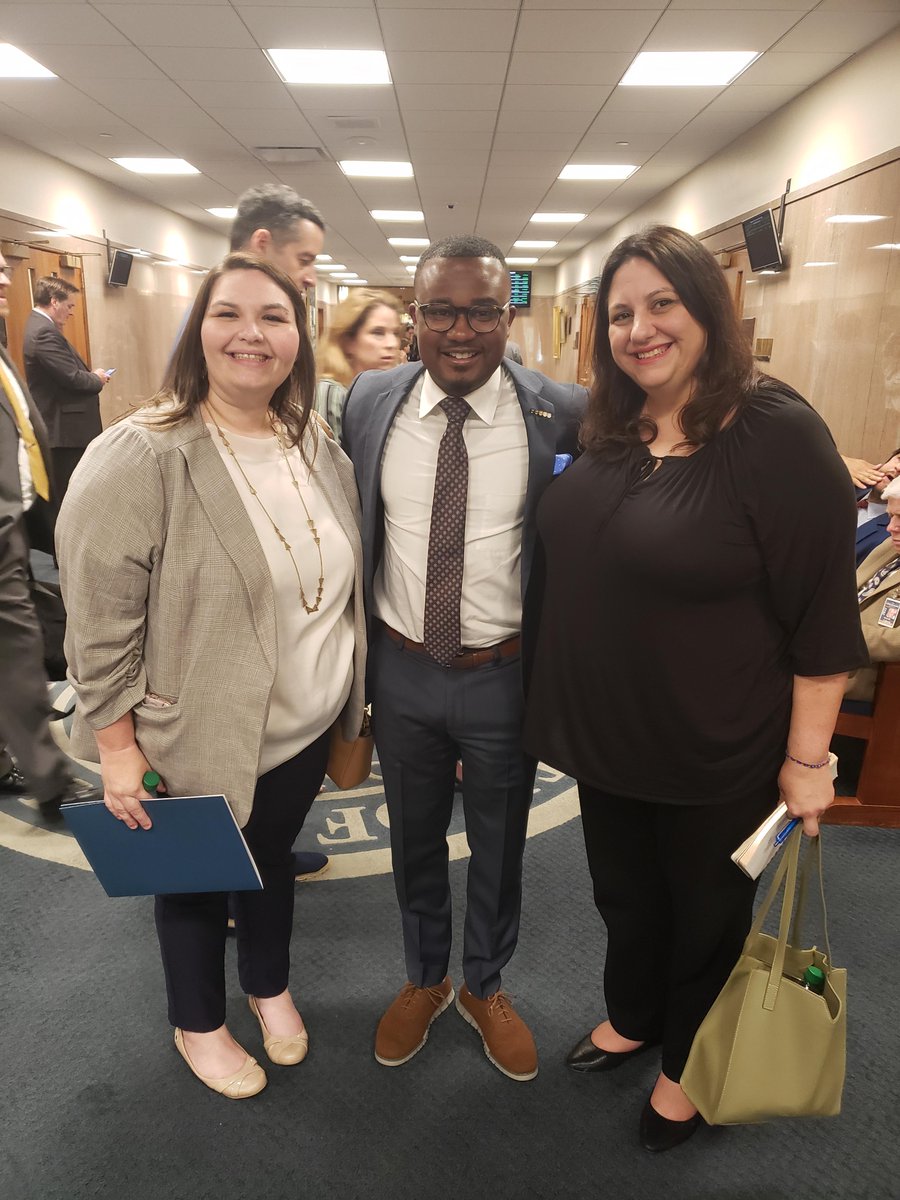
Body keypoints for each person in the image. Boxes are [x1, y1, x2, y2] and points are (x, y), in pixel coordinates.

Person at [522, 225, 865, 1150]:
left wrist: (806, 763)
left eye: (662, 304)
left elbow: (823, 624)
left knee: (704, 915)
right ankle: (635, 1016)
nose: (640, 330)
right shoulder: (607, 425)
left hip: (717, 746)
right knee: (624, 897)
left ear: (708, 309)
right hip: (609, 740)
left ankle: (690, 1064)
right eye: (622, 312)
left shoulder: (775, 433)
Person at [56, 253, 366, 1099]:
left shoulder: (312, 442)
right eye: (228, 314)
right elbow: (96, 621)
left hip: (301, 726)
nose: (251, 334)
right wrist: (117, 749)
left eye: (273, 316)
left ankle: (267, 984)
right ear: (199, 330)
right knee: (193, 888)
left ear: (298, 338)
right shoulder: (141, 454)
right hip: (191, 730)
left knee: (266, 862)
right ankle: (198, 1023)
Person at [342, 234, 586, 1083]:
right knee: (412, 838)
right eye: (438, 309)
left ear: (507, 314)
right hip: (402, 669)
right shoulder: (370, 401)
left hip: (504, 675)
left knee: (499, 842)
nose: (460, 330)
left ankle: (485, 983)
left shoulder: (562, 411)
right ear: (414, 315)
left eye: (482, 309)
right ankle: (424, 977)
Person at [0, 252, 100, 819]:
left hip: (15, 517)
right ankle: (51, 781)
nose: (7, 276)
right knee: (17, 653)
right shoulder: (37, 335)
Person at [23, 276, 112, 505]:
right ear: (54, 301)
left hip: (66, 432)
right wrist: (97, 378)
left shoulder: (42, 327)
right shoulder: (44, 332)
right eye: (69, 306)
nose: (71, 312)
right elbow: (71, 378)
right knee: (70, 497)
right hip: (64, 434)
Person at [314, 290, 402, 441]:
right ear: (348, 340)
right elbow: (330, 462)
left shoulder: (382, 394)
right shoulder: (331, 393)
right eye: (378, 333)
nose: (392, 344)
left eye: (395, 333)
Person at [844, 476, 900, 702]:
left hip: (871, 689)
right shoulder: (888, 546)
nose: (890, 528)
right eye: (890, 516)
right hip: (825, 662)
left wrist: (843, 634)